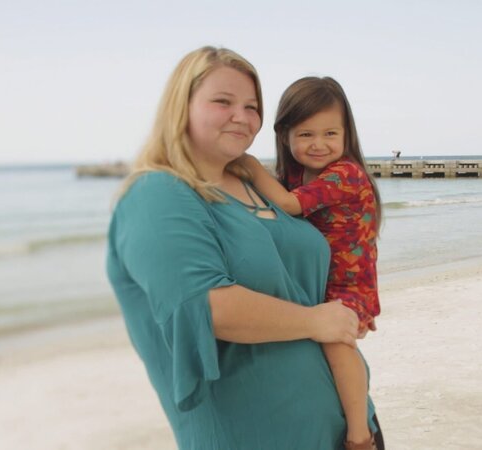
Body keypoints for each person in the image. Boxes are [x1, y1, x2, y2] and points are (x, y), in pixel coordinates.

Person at [105, 46, 383, 449]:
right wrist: (317, 321)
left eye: (252, 106)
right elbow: (206, 306)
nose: (242, 116)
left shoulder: (258, 187)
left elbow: (316, 264)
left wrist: (352, 301)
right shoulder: (157, 194)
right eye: (223, 101)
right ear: (179, 107)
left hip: (348, 431)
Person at [239, 76, 382, 450]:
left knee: (338, 345)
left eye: (330, 133)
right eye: (305, 135)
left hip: (349, 284)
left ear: (346, 133)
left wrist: (249, 165)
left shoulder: (346, 174)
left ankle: (359, 433)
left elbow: (287, 205)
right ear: (284, 133)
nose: (319, 145)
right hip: (320, 281)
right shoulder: (294, 175)